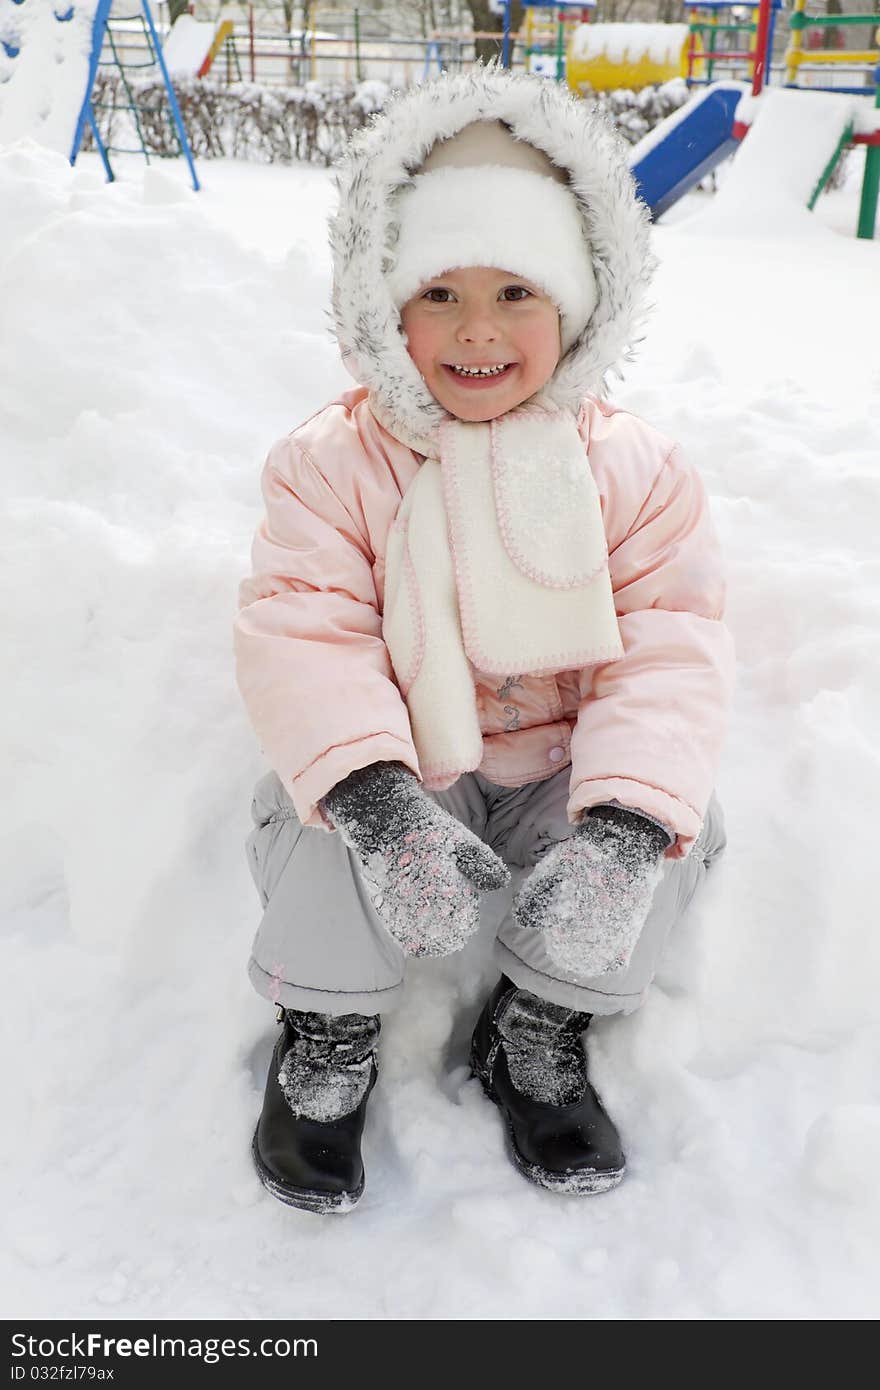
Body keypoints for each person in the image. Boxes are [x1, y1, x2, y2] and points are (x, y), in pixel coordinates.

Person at [234, 65, 735, 1214]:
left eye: (516, 292)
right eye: (437, 294)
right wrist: (375, 802)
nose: (475, 331)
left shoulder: (636, 473)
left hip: (559, 765)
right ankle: (325, 1029)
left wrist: (617, 826)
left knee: (675, 823)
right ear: (380, 307)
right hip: (413, 765)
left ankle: (536, 1023)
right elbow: (302, 629)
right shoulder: (334, 463)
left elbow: (669, 645)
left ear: (579, 305)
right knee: (315, 820)